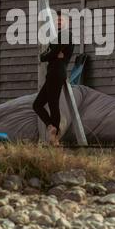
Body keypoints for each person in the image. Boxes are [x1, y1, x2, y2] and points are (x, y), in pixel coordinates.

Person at [33, 11, 74, 146]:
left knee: (53, 104)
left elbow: (53, 52)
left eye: (62, 20)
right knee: (37, 104)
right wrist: (50, 53)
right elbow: (52, 52)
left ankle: (54, 138)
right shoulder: (58, 36)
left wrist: (45, 56)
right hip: (53, 73)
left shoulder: (66, 34)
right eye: (57, 20)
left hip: (57, 73)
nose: (59, 22)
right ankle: (51, 127)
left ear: (67, 22)